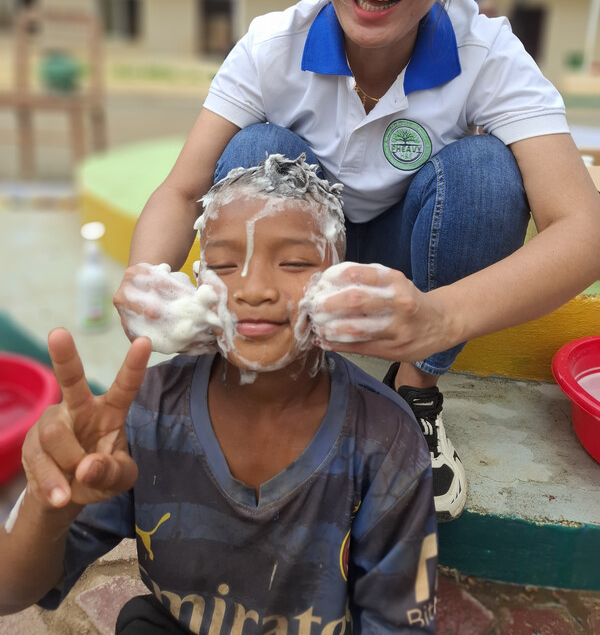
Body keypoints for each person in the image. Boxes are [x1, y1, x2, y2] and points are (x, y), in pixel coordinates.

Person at [114, 0, 600, 522]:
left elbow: (583, 229)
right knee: (255, 150)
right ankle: (270, 380)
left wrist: (438, 319)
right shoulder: (272, 48)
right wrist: (146, 283)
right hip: (301, 258)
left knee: (488, 175)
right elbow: (183, 189)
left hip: (412, 263)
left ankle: (414, 396)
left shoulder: (485, 53)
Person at [0, 156, 438, 634]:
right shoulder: (148, 411)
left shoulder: (385, 435)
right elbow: (11, 592)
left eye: (294, 262)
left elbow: (398, 623)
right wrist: (47, 505)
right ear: (195, 282)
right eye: (225, 265)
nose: (253, 289)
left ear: (339, 279)